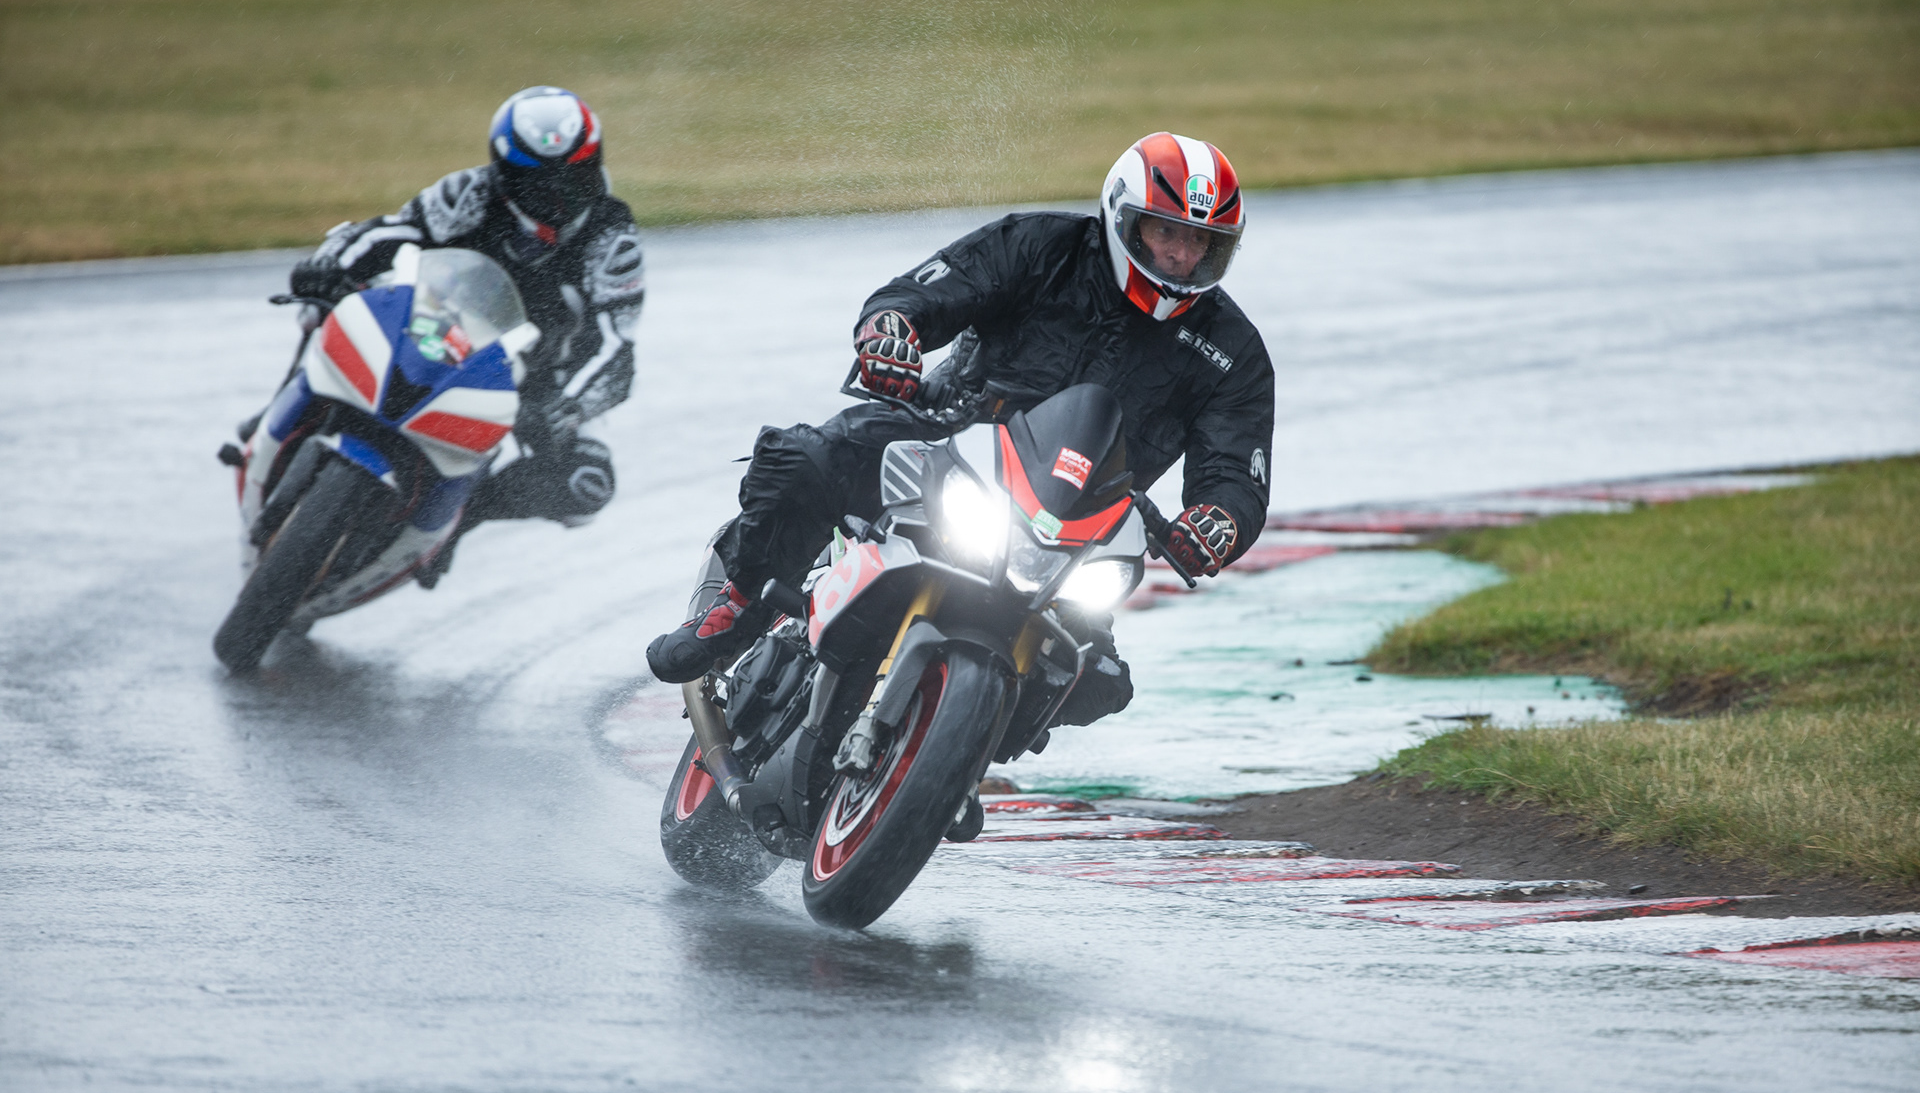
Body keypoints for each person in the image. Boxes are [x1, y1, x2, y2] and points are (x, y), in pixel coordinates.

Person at [647, 132, 1275, 731]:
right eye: (1167, 232)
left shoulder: (1233, 352)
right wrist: (891, 332)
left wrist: (1218, 522)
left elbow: (1236, 475)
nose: (1183, 256)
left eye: (1202, 241)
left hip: (1079, 526)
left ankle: (957, 749)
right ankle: (739, 604)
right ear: (1124, 218)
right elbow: (924, 293)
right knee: (806, 461)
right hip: (949, 438)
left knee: (1096, 680)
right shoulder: (1043, 245)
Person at [240, 86, 646, 572]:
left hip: (539, 377)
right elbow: (391, 232)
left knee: (586, 487)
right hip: (436, 323)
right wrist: (331, 262)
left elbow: (615, 346)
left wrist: (567, 406)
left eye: (575, 177)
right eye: (540, 184)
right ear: (506, 174)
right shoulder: (470, 193)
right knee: (322, 305)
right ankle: (288, 403)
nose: (559, 199)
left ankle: (461, 514)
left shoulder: (611, 236)